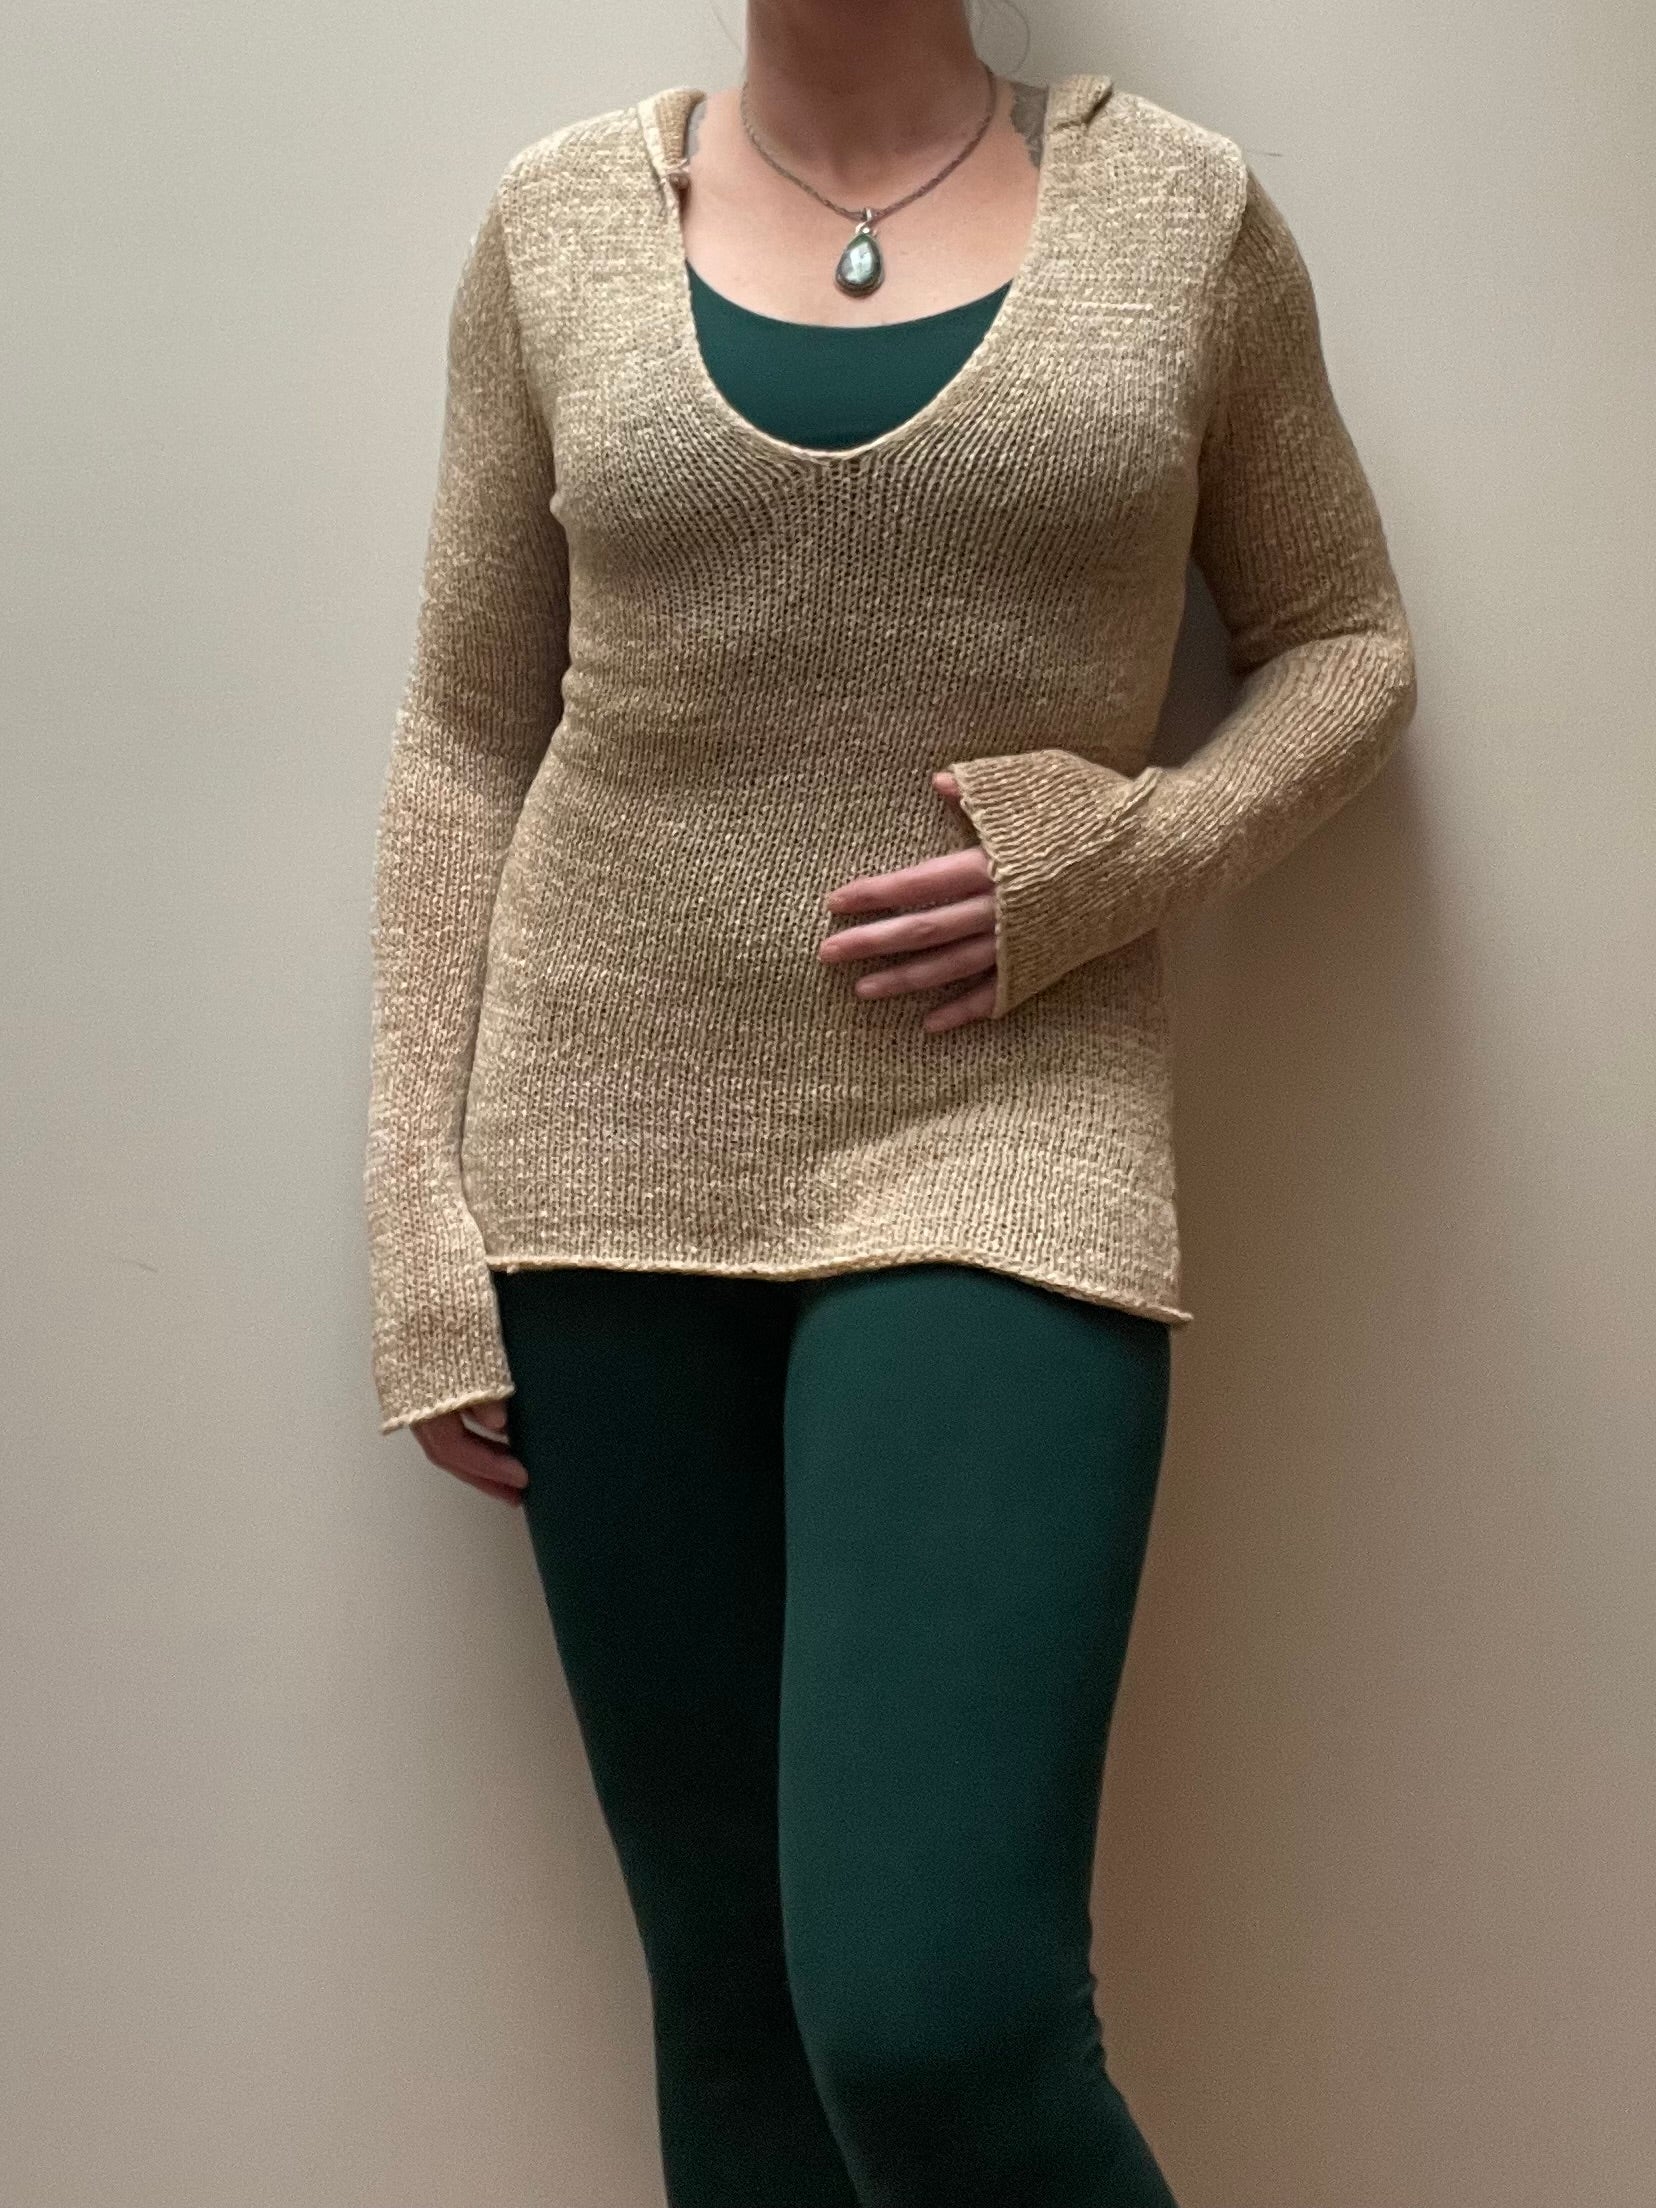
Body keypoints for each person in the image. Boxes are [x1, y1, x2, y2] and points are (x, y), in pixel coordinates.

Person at [363, 3, 1418, 2200]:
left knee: (940, 2019)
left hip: (1006, 1129)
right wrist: (415, 1214)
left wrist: (1126, 860)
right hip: (601, 1160)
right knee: (737, 2015)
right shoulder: (556, 223)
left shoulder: (1180, 217)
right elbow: (465, 734)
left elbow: (1344, 639)